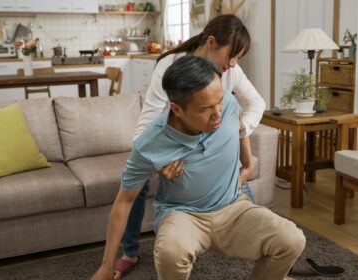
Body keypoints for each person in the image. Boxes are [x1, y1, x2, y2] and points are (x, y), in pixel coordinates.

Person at [91, 56, 305, 280]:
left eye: (220, 101)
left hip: (233, 207)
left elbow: (238, 125)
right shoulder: (149, 145)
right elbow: (124, 201)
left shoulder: (228, 106)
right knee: (170, 253)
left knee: (292, 239)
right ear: (177, 109)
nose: (218, 114)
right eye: (205, 109)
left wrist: (248, 165)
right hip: (183, 214)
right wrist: (106, 267)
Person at [115, 14, 266, 278]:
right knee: (135, 186)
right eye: (232, 55)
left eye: (238, 58)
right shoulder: (169, 66)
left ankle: (261, 249)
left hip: (213, 144)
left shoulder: (231, 72)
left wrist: (239, 130)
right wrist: (160, 162)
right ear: (211, 42)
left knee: (239, 190)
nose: (233, 63)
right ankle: (129, 251)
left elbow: (257, 105)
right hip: (172, 145)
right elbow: (146, 125)